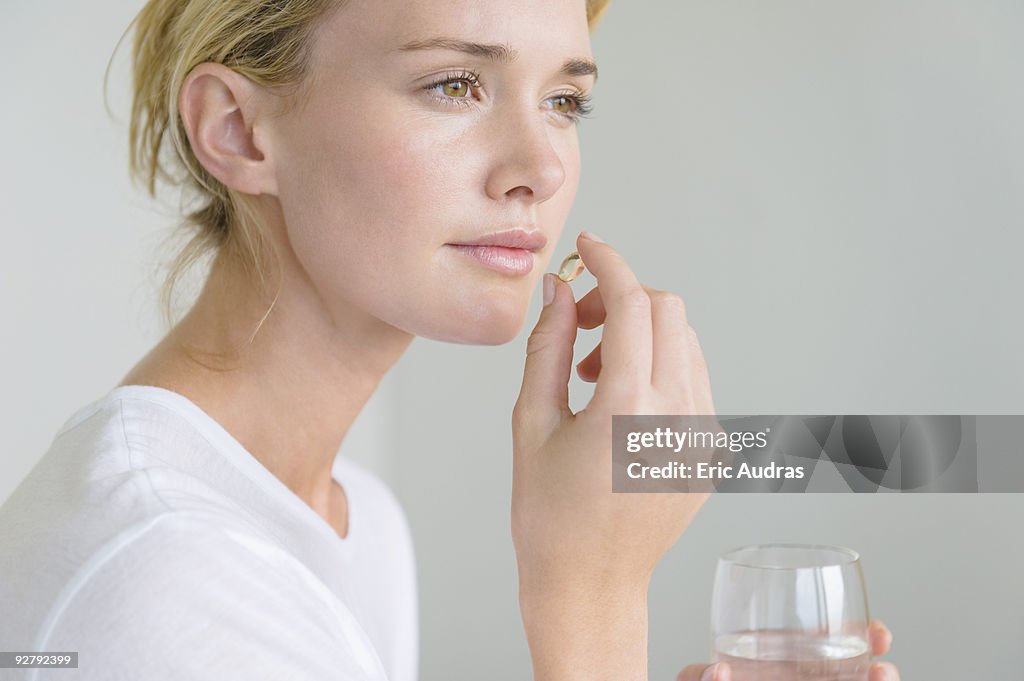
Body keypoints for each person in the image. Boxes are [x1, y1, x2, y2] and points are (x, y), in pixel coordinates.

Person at [0, 1, 900, 679]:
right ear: (238, 130)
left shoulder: (356, 519)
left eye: (563, 100)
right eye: (455, 84)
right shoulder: (171, 578)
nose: (542, 169)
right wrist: (590, 603)